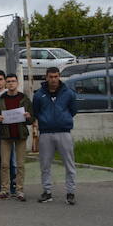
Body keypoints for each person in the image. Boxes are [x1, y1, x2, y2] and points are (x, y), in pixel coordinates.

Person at [33, 67, 78, 205]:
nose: (53, 79)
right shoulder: (39, 94)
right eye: (51, 77)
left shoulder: (69, 93)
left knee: (69, 164)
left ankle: (70, 192)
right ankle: (47, 192)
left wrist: (62, 119)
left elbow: (73, 110)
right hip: (46, 133)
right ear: (46, 77)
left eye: (56, 76)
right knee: (45, 165)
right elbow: (36, 111)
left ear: (59, 77)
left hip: (64, 132)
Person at [0, 73, 34, 201]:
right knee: (4, 164)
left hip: (20, 134)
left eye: (13, 81)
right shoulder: (1, 99)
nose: (11, 83)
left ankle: (19, 190)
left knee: (20, 164)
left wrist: (28, 117)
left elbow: (31, 118)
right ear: (5, 83)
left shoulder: (24, 98)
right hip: (6, 135)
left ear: (17, 83)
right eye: (8, 81)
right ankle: (5, 189)